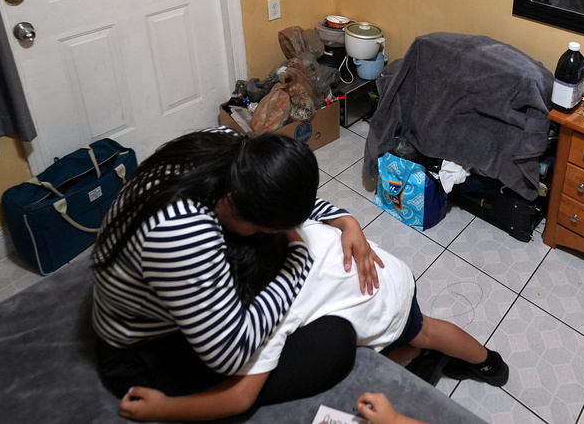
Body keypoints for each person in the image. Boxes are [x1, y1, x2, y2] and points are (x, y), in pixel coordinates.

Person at [113, 183, 509, 422]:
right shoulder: (292, 225)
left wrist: (164, 408)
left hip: (380, 306)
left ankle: (438, 361)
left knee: (409, 341)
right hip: (391, 271)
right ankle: (488, 362)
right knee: (430, 328)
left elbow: (240, 397)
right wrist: (350, 222)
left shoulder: (277, 306)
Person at [91, 128, 383, 407]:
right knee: (333, 344)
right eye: (267, 228)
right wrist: (298, 258)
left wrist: (344, 220)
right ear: (236, 205)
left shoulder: (228, 143)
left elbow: (275, 184)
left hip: (163, 290)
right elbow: (230, 352)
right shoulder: (185, 234)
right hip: (145, 350)